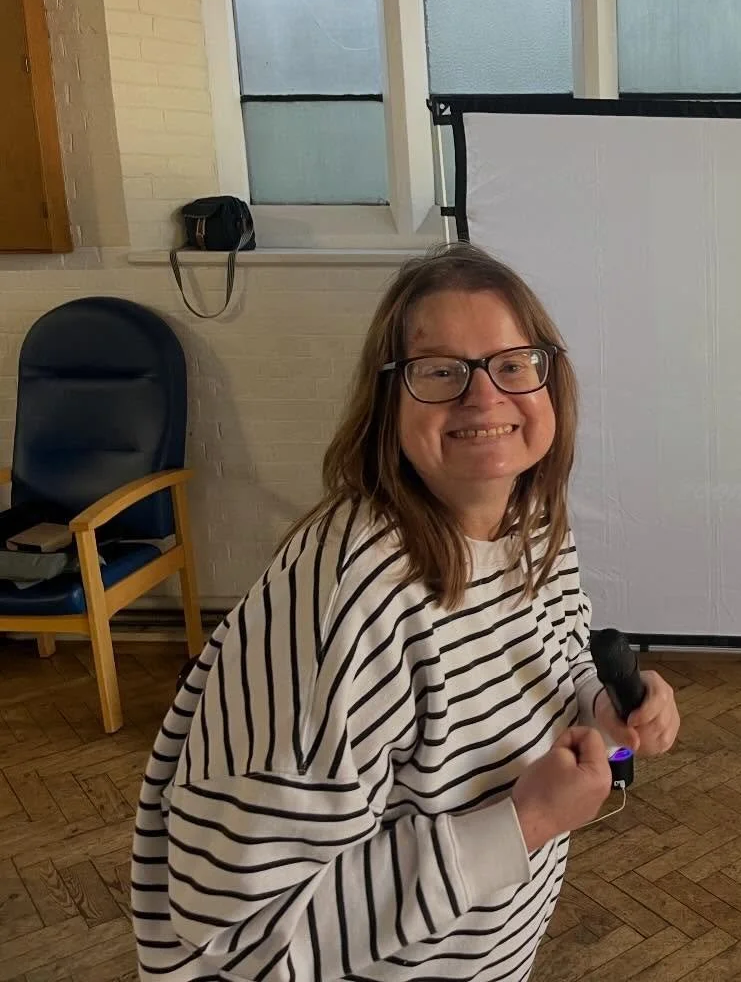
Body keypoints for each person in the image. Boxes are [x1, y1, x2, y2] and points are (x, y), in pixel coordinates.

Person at [131, 243, 681, 982]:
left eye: (512, 363)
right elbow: (236, 937)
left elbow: (559, 657)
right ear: (387, 398)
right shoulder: (351, 599)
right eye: (440, 372)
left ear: (551, 380)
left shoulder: (533, 517)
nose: (484, 398)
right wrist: (528, 823)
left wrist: (605, 717)